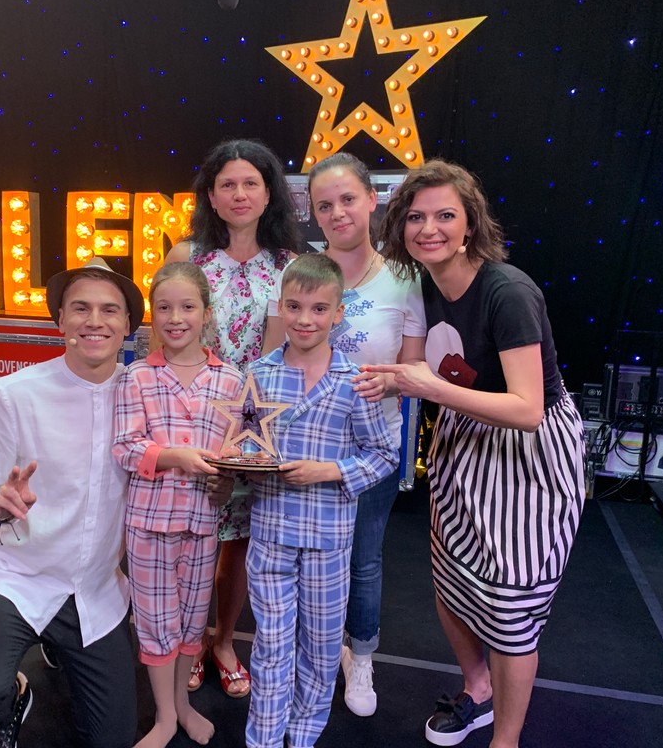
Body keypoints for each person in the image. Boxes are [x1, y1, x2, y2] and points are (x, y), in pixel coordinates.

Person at [368, 160, 585, 748]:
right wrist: (393, 381)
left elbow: (527, 408)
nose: (429, 228)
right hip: (463, 440)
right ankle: (478, 689)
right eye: (415, 217)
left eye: (445, 215)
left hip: (529, 455)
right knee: (452, 579)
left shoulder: (506, 291)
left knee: (511, 607)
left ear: (470, 225)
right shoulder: (422, 287)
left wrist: (428, 388)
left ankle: (505, 740)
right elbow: (424, 370)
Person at [0, 256, 145, 748]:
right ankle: (9, 700)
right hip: (19, 580)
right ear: (60, 321)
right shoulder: (15, 395)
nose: (95, 321)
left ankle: (60, 647)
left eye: (110, 310)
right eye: (81, 308)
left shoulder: (143, 396)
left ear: (128, 325)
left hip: (96, 592)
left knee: (113, 740)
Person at [243, 253, 399, 748]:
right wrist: (239, 463)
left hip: (329, 540)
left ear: (338, 313)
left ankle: (304, 732)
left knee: (322, 645)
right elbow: (242, 445)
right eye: (294, 306)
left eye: (318, 309)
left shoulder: (357, 383)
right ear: (281, 307)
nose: (305, 319)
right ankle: (264, 737)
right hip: (270, 535)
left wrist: (329, 470)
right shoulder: (259, 375)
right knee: (271, 645)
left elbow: (384, 455)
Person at [165, 138, 300, 697]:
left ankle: (223, 641)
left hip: (252, 423)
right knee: (191, 535)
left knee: (238, 541)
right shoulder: (186, 256)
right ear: (211, 196)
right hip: (189, 416)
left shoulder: (288, 266)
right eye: (227, 184)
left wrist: (245, 427)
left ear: (269, 195)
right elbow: (167, 336)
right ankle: (188, 641)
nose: (239, 194)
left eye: (251, 183)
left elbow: (276, 357)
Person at [296, 152, 426, 717]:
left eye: (348, 199)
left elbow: (416, 369)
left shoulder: (405, 277)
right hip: (307, 447)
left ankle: (362, 655)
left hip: (374, 448)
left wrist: (386, 381)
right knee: (305, 557)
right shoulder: (301, 272)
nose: (337, 213)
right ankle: (314, 654)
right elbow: (279, 360)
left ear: (373, 199)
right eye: (324, 205)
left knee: (363, 561)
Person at [111, 262, 244, 748]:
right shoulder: (136, 377)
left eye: (187, 306)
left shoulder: (231, 380)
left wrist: (228, 481)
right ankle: (165, 716)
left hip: (202, 523)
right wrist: (175, 457)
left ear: (206, 313)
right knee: (155, 622)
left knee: (191, 619)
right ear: (151, 314)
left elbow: (234, 453)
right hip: (148, 523)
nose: (175, 317)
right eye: (164, 307)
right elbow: (126, 447)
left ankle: (184, 707)